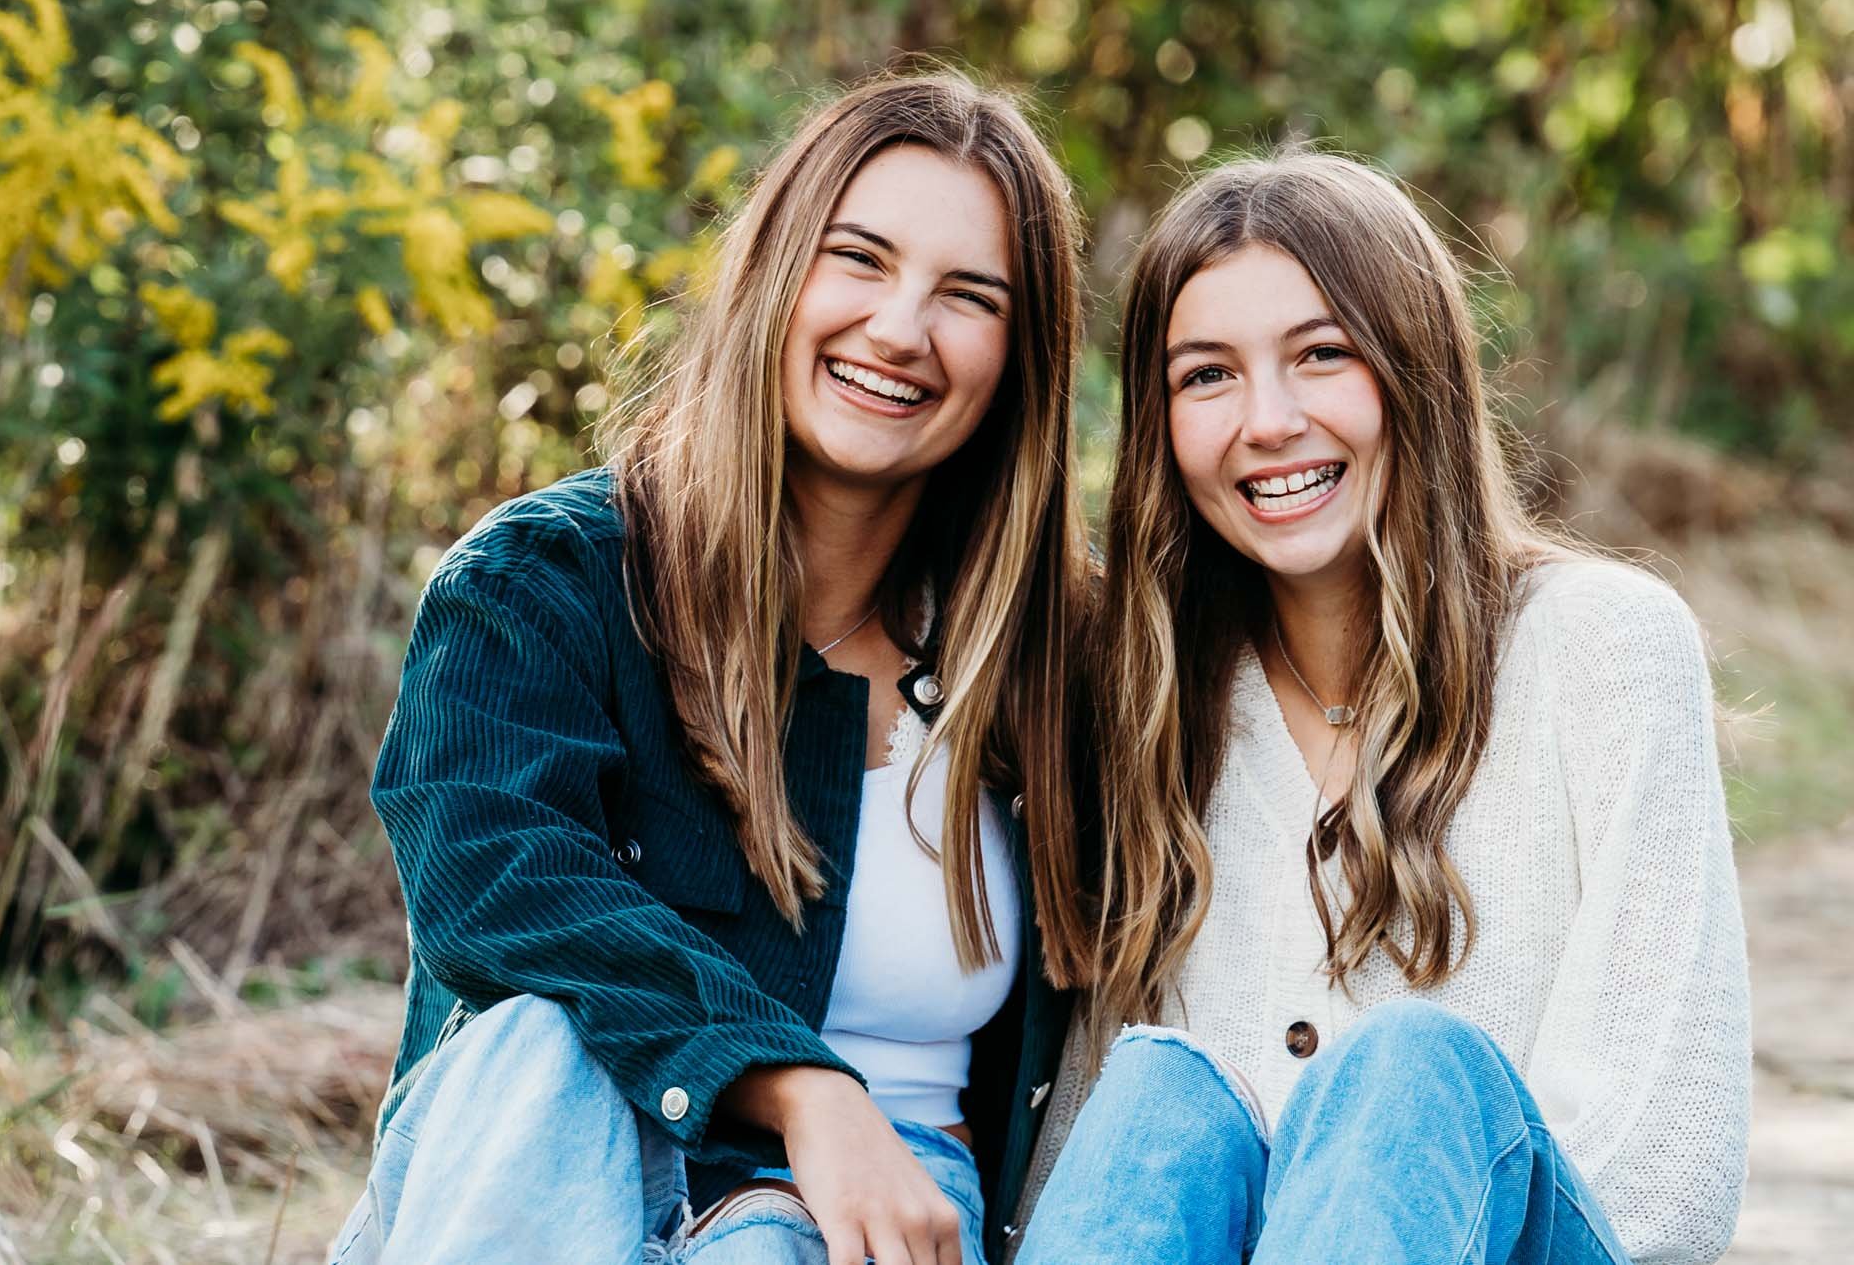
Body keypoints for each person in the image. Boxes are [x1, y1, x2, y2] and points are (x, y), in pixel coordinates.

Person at [326, 72, 1094, 1265]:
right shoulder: (544, 583)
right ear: (775, 270)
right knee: (542, 1039)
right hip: (548, 1186)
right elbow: (493, 879)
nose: (900, 328)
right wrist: (798, 1084)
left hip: (870, 1227)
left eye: (967, 294)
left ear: (1018, 359)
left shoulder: (1049, 665)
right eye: (859, 259)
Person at [1010, 150, 1750, 1264]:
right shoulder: (1152, 698)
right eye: (1204, 374)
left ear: (1413, 370)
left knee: (1409, 1067)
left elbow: (1665, 1162)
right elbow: (1100, 1160)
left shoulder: (1603, 643)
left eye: (1319, 354)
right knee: (1158, 1090)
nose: (1266, 420)